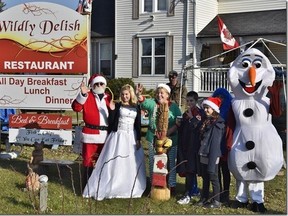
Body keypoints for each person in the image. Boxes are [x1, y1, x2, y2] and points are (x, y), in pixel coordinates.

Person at [83, 84, 146, 200]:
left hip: (131, 136)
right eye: (122, 94)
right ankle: (113, 183)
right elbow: (111, 122)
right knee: (116, 160)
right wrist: (111, 110)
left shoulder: (136, 107)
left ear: (130, 94)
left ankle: (129, 184)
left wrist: (138, 139)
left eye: (126, 94)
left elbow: (138, 125)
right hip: (118, 136)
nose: (124, 96)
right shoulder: (117, 106)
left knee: (131, 161)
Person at [136, 83, 182, 195]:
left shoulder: (174, 107)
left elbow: (178, 122)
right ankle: (154, 184)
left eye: (162, 93)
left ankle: (171, 185)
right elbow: (144, 102)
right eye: (158, 93)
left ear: (167, 95)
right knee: (153, 162)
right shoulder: (153, 104)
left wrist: (166, 134)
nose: (159, 95)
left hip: (171, 139)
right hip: (153, 138)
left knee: (171, 162)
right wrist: (139, 94)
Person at [71, 74, 112, 189]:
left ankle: (101, 186)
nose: (99, 86)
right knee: (89, 162)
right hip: (90, 134)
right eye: (96, 84)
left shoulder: (108, 97)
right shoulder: (87, 96)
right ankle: (87, 188)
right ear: (92, 85)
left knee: (103, 162)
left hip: (105, 135)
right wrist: (82, 95)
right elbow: (76, 108)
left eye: (101, 84)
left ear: (105, 85)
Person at [195, 97, 225, 208]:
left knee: (213, 176)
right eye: (205, 108)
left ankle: (217, 200)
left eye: (208, 108)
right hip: (204, 152)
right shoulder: (206, 120)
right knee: (205, 177)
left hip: (212, 154)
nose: (206, 110)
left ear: (214, 109)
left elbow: (215, 143)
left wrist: (213, 159)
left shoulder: (217, 124)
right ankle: (204, 198)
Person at [176, 91, 203, 205]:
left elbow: (198, 129)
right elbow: (183, 129)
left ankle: (187, 194)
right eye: (187, 101)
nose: (189, 103)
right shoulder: (185, 113)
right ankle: (194, 190)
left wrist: (192, 118)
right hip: (185, 145)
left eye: (191, 101)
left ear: (196, 101)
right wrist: (179, 124)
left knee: (190, 170)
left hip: (194, 146)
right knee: (187, 168)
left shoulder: (199, 113)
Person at [212, 88, 233, 205]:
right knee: (216, 169)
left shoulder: (230, 109)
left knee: (225, 169)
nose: (220, 99)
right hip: (216, 142)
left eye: (222, 97)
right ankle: (217, 192)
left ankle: (226, 193)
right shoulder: (214, 109)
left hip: (225, 141)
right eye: (218, 97)